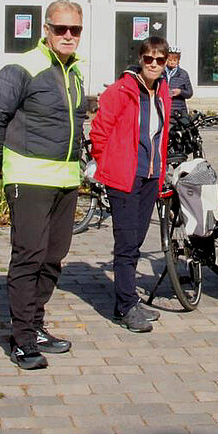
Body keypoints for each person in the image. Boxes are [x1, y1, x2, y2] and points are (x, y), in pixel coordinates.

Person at [0, 0, 88, 369]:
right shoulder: (23, 67)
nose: (68, 35)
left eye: (75, 29)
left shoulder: (73, 71)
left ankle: (36, 324)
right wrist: (9, 166)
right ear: (46, 30)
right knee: (28, 257)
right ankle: (22, 338)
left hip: (65, 179)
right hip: (28, 178)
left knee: (53, 257)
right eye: (60, 29)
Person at [90, 36, 172, 333]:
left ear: (166, 63)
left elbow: (160, 134)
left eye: (159, 60)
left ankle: (128, 299)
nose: (153, 64)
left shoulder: (162, 91)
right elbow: (99, 131)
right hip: (124, 175)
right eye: (148, 58)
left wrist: (160, 171)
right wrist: (106, 163)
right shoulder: (121, 90)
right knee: (126, 243)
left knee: (136, 239)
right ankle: (124, 306)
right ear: (140, 59)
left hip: (150, 175)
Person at [163, 48, 193, 121]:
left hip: (178, 111)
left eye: (174, 60)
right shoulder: (160, 73)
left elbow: (189, 93)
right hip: (163, 109)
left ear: (178, 61)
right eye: (170, 60)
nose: (172, 62)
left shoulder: (183, 74)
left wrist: (180, 92)